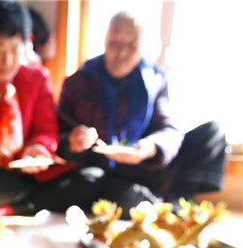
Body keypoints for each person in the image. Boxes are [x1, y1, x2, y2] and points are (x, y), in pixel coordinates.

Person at [0, 1, 104, 219]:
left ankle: (14, 207)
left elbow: (47, 129)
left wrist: (37, 149)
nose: (7, 61)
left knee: (94, 177)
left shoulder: (36, 78)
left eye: (15, 49)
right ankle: (39, 201)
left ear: (25, 46)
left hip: (36, 173)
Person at [56, 11, 227, 216]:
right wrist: (73, 141)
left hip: (146, 165)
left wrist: (148, 148)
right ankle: (162, 207)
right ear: (105, 41)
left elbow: (169, 129)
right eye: (114, 43)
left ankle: (177, 199)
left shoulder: (156, 78)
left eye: (132, 45)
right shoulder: (78, 81)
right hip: (105, 173)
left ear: (143, 46)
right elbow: (58, 134)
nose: (121, 53)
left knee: (212, 133)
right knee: (109, 194)